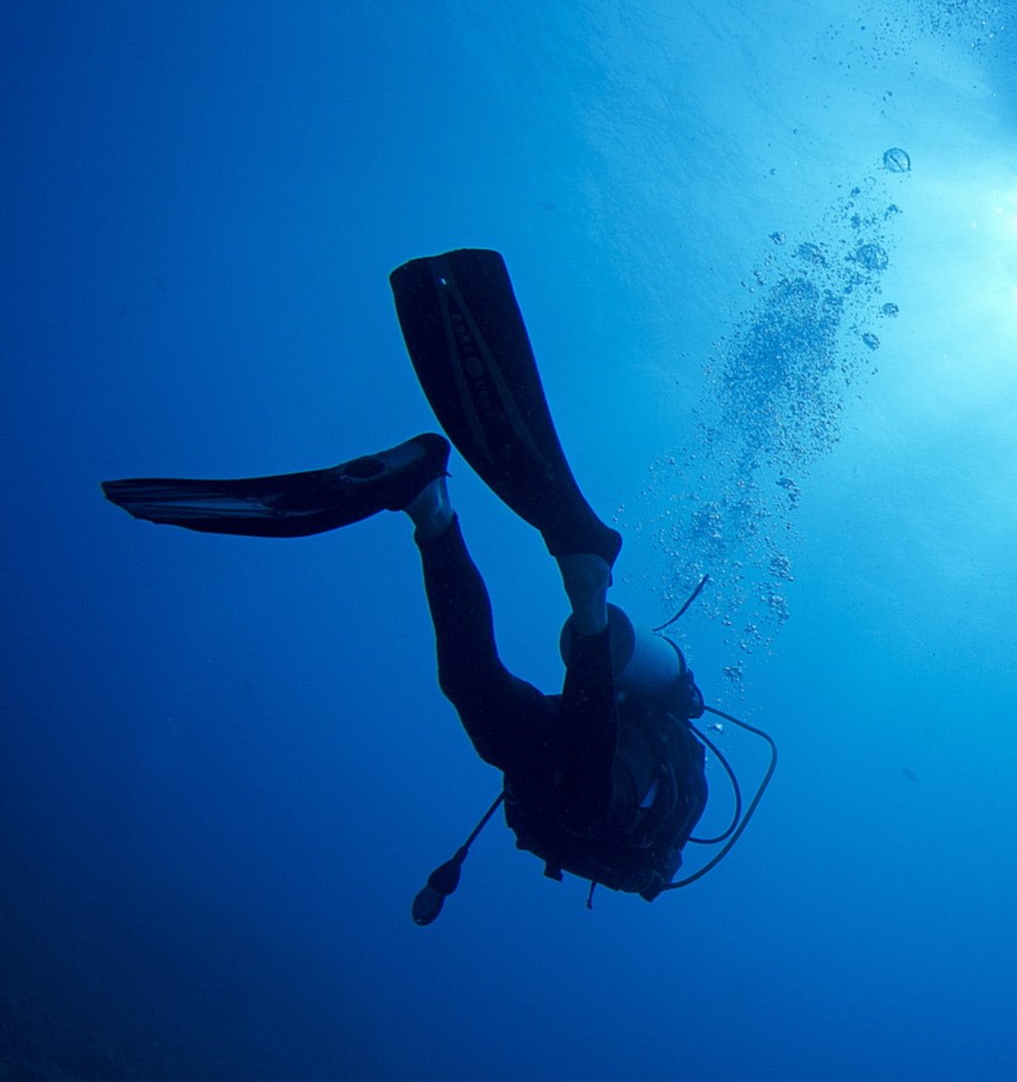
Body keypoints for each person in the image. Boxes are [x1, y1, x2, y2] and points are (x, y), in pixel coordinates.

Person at [103, 249, 761, 921]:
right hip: (591, 756)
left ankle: (430, 507)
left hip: (564, 744)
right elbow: (616, 795)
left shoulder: (639, 819)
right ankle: (588, 596)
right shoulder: (653, 831)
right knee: (584, 799)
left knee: (477, 700)